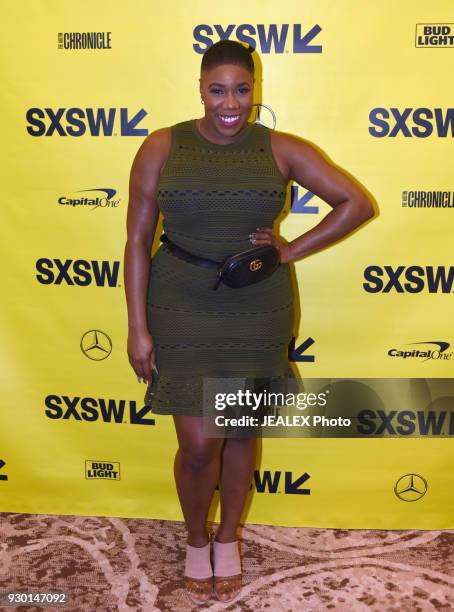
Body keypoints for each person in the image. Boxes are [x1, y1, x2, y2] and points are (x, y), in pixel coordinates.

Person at [124, 40, 374, 604]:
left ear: (254, 90)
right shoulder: (162, 145)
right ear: (201, 88)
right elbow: (137, 240)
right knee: (196, 444)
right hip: (180, 302)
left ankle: (229, 539)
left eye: (242, 89)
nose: (230, 103)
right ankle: (195, 539)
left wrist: (289, 251)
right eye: (218, 90)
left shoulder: (281, 148)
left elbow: (354, 203)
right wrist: (137, 327)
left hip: (257, 307)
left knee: (239, 430)